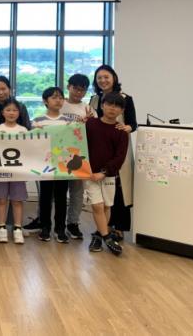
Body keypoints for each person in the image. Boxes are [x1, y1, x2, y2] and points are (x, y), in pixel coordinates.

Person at [89, 65, 137, 242]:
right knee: (101, 194)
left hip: (118, 147)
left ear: (114, 78)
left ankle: (120, 228)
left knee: (120, 189)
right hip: (99, 149)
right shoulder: (94, 99)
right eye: (99, 78)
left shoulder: (125, 98)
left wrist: (127, 128)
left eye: (106, 77)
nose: (103, 80)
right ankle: (104, 228)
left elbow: (133, 123)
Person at [0, 75, 32, 237]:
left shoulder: (20, 106)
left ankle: (15, 226)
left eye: (3, 88)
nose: (1, 92)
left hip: (17, 160)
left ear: (9, 89)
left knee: (16, 196)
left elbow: (28, 128)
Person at [85, 93, 128, 256]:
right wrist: (80, 122)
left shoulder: (121, 132)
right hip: (90, 174)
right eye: (109, 104)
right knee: (97, 205)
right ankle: (107, 237)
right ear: (102, 106)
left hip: (108, 175)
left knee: (106, 206)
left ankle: (98, 235)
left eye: (117, 106)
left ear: (121, 110)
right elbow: (77, 140)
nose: (112, 108)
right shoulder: (90, 124)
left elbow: (120, 157)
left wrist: (104, 172)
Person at [32, 87, 71, 243]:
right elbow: (33, 142)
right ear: (45, 101)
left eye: (61, 97)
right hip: (44, 165)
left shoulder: (67, 121)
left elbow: (72, 141)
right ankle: (45, 227)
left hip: (63, 165)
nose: (58, 100)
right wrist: (35, 131)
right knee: (45, 197)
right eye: (54, 97)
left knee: (61, 197)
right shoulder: (38, 121)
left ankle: (60, 228)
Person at [60, 73, 96, 240]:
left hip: (79, 154)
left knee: (77, 191)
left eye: (82, 90)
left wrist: (88, 123)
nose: (78, 93)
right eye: (75, 89)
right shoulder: (59, 104)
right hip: (58, 153)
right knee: (56, 191)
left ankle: (73, 223)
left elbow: (95, 131)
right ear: (69, 87)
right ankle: (52, 222)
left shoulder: (89, 109)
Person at [0, 98, 28, 245]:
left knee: (17, 200)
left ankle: (17, 228)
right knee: (1, 199)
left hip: (18, 171)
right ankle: (2, 227)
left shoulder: (23, 130)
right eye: (8, 110)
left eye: (14, 110)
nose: (11, 113)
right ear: (3, 112)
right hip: (1, 170)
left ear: (19, 113)